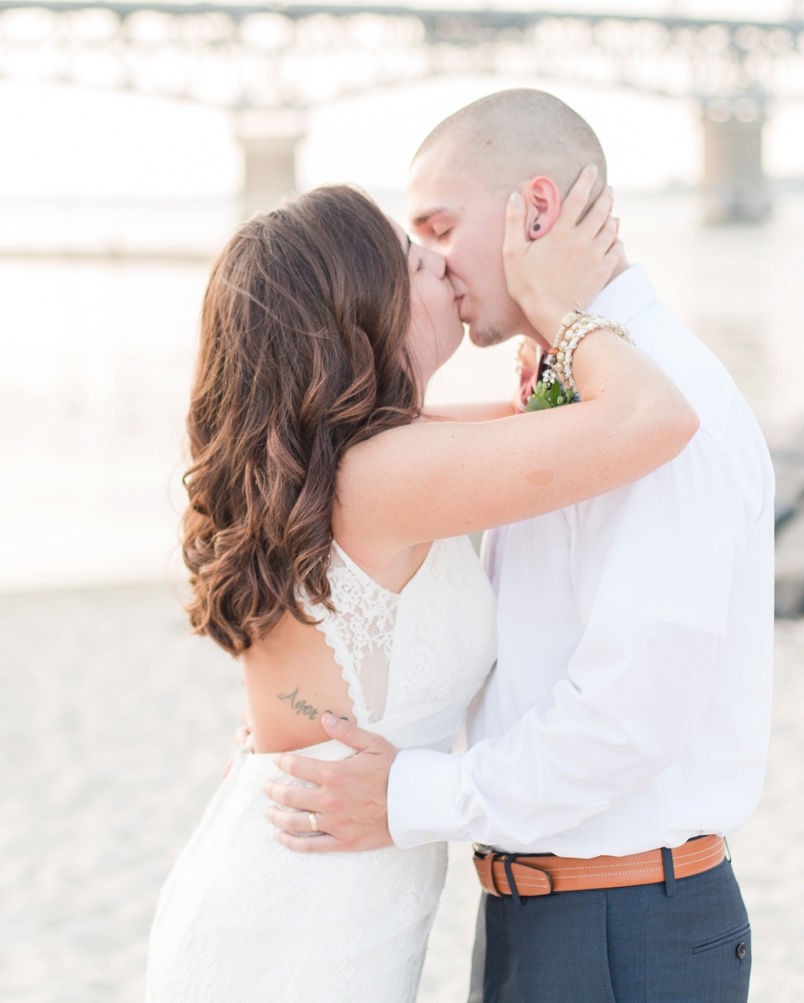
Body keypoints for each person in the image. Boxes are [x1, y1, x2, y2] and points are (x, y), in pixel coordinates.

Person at [267, 89, 776, 1003]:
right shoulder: (577, 400)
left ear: (535, 210)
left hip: (622, 927)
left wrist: (409, 798)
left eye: (438, 224)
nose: (422, 260)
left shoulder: (666, 408)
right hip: (541, 913)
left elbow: (627, 719)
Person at [145, 167, 701, 1002]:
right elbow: (652, 417)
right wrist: (560, 309)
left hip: (307, 885)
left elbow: (543, 428)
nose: (443, 267)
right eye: (415, 261)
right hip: (304, 920)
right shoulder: (383, 475)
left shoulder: (356, 456)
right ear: (364, 315)